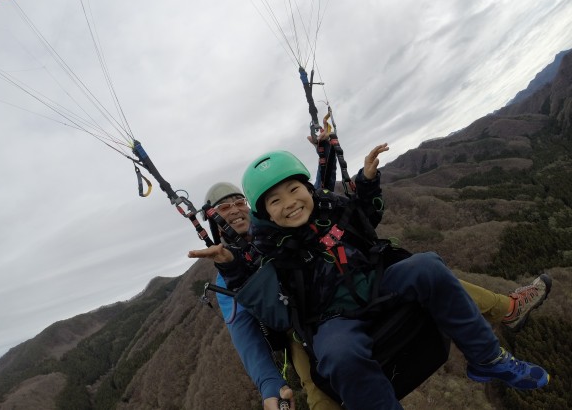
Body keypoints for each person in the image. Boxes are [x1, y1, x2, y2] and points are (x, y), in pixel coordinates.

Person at [196, 145, 550, 410]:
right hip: (308, 320)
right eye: (223, 210)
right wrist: (270, 385)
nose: (233, 212)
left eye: (237, 203)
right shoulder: (241, 260)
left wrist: (349, 171)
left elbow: (333, 206)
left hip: (361, 282)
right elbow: (247, 330)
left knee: (427, 267)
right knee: (329, 374)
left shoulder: (314, 211)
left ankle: (495, 341)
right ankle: (506, 309)